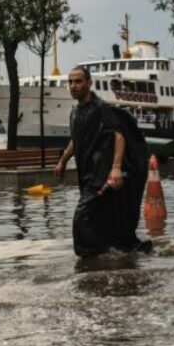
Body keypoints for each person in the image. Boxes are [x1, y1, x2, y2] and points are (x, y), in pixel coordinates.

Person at [54, 65, 150, 257]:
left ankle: (92, 256)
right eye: (70, 82)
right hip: (86, 173)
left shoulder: (102, 109)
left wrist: (115, 168)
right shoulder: (75, 111)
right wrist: (63, 160)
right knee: (101, 216)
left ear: (89, 83)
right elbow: (77, 137)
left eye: (78, 81)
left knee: (82, 217)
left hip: (102, 174)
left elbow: (119, 135)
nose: (73, 86)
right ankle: (119, 251)